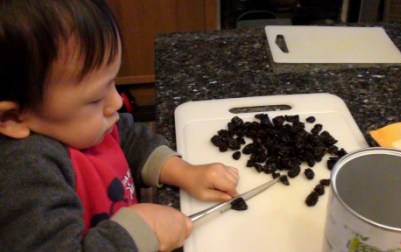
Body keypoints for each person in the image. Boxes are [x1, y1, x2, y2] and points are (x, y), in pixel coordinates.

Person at [0, 0, 239, 251]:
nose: (116, 102)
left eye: (113, 82)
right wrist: (137, 232)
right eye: (95, 98)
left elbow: (127, 137)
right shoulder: (25, 176)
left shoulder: (81, 124)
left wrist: (183, 171)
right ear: (12, 118)